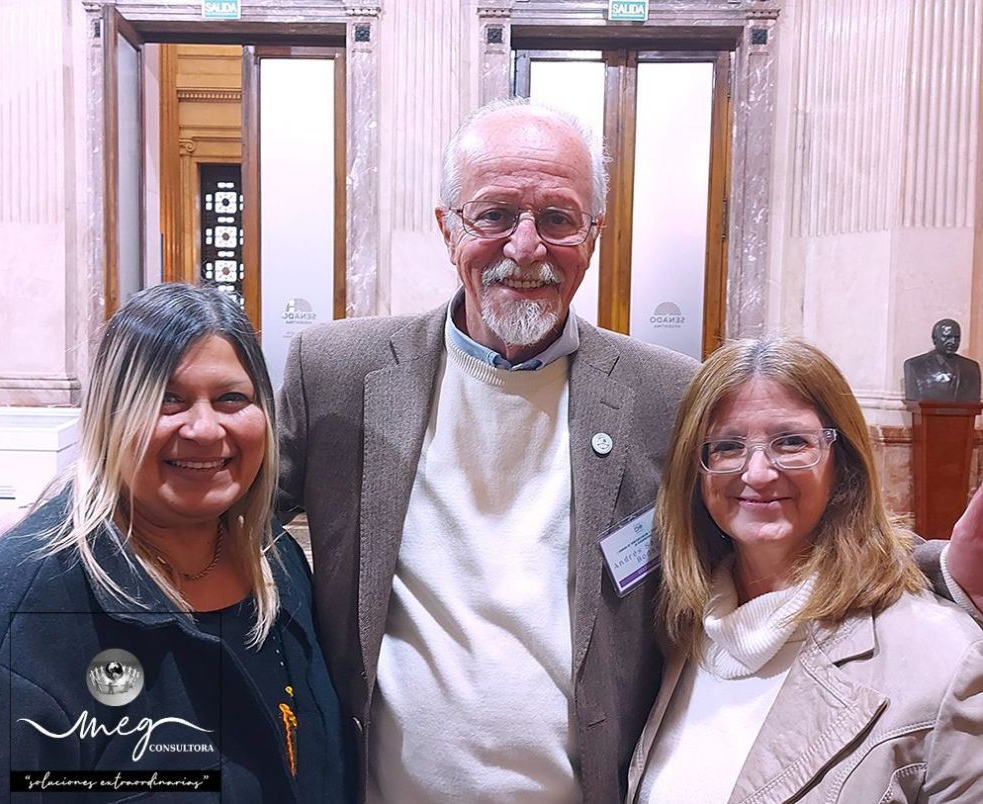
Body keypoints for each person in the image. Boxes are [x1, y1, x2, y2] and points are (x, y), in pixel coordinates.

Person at [277, 99, 982, 802]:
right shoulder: (338, 369)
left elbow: (777, 521)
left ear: (592, 235)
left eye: (557, 218)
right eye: (494, 215)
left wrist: (939, 569)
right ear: (447, 227)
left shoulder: (663, 394)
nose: (526, 248)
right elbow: (234, 519)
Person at [0, 283, 346, 802]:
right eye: (167, 401)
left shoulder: (279, 563)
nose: (205, 430)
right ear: (109, 416)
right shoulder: (26, 609)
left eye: (232, 398)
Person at [627, 337, 983, 802]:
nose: (757, 473)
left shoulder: (945, 659)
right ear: (697, 470)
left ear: (843, 463)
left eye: (792, 442)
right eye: (728, 446)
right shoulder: (675, 626)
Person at [903, 318, 981, 402]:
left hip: (964, 413)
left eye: (957, 337)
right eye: (947, 337)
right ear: (934, 339)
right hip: (928, 413)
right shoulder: (915, 365)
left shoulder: (971, 368)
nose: (952, 341)